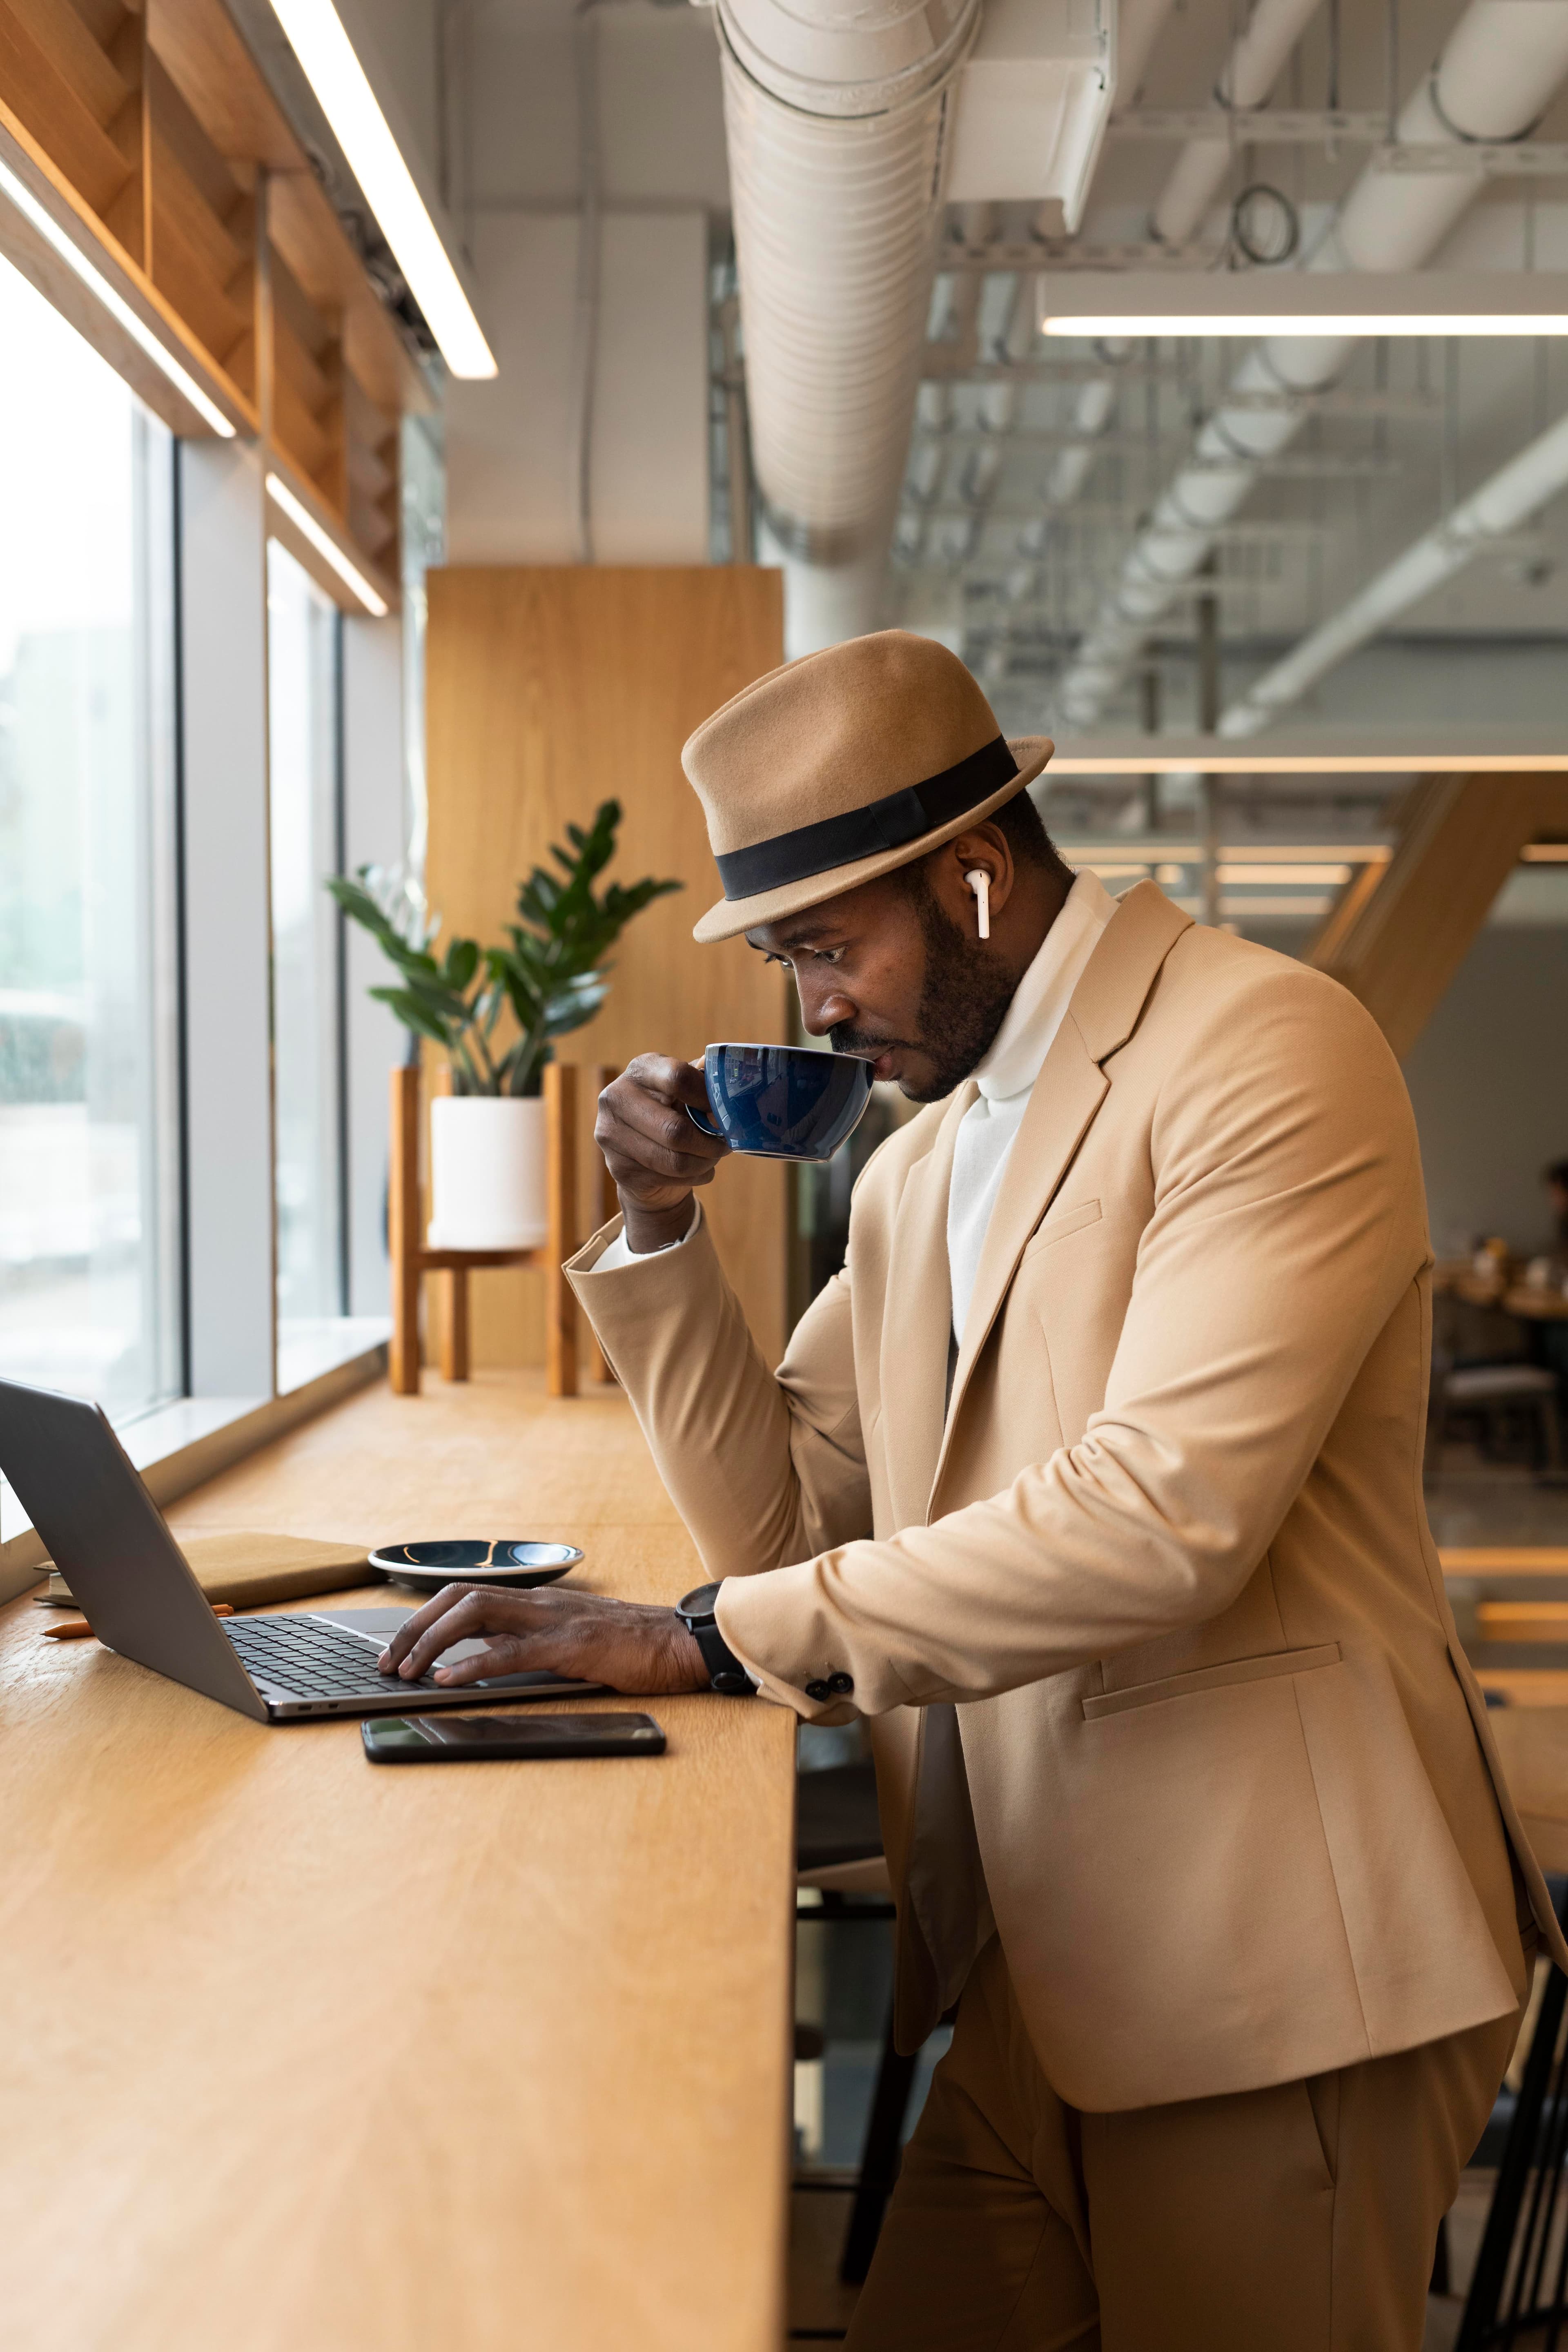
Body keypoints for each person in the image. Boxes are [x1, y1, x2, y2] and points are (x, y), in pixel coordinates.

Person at [381, 632, 1564, 2350]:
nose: (818, 1009)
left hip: (1279, 1966)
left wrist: (694, 1646)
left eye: (829, 949)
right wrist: (659, 1233)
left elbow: (1164, 1517)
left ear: (979, 878)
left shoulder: (1269, 1050)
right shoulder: (926, 1157)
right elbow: (783, 1533)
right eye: (789, 962)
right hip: (1044, 1958)